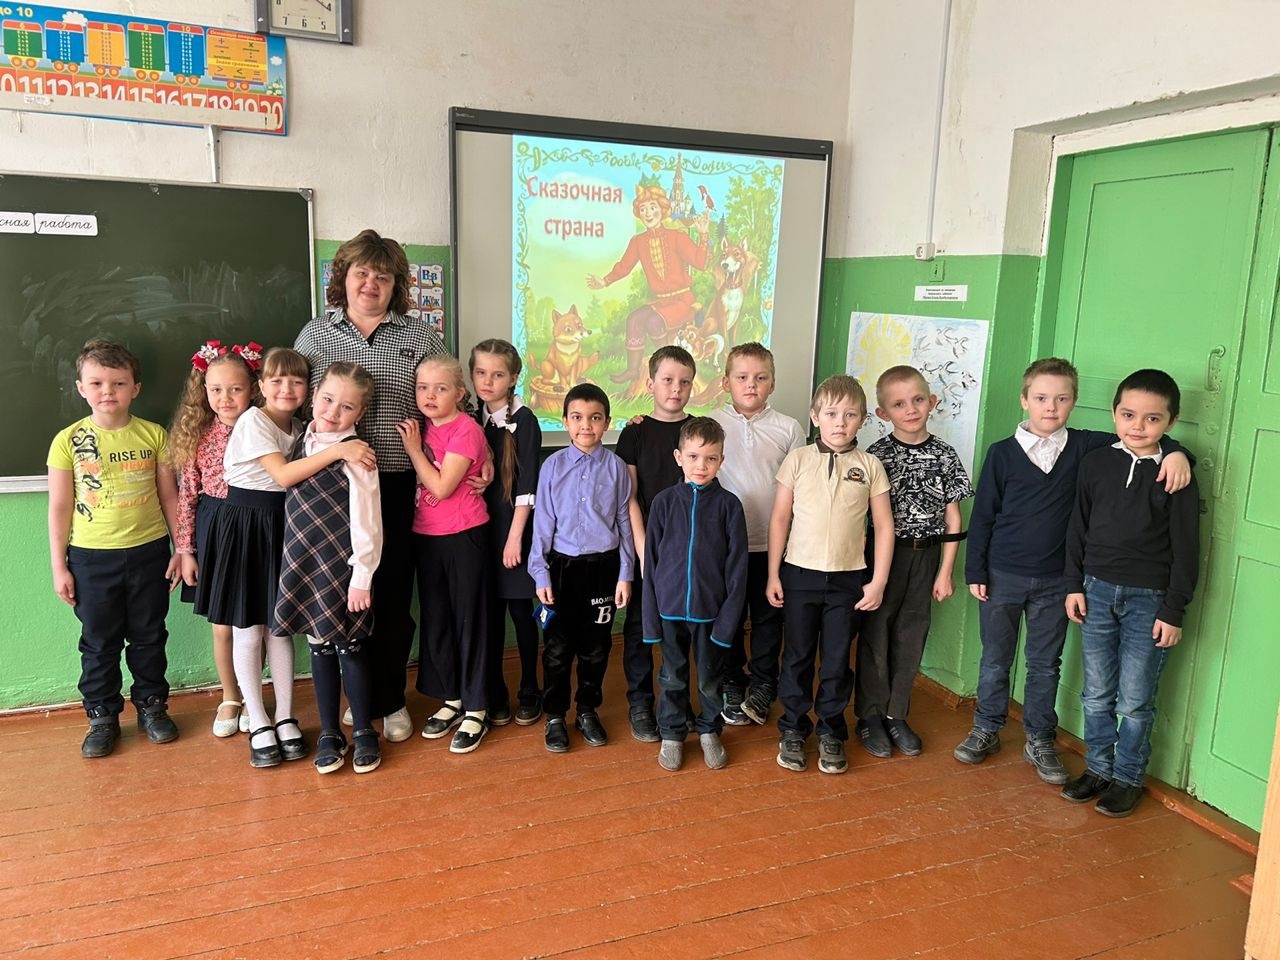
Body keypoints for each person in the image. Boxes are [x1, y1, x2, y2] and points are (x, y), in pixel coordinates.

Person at [957, 358, 1192, 784]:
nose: (1051, 407)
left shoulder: (1087, 447)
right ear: (1024, 399)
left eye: (1062, 399)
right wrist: (976, 570)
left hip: (1056, 582)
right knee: (995, 660)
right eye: (1041, 398)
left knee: (1045, 664)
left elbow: (1142, 438)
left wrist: (1178, 453)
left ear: (1075, 402)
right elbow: (985, 515)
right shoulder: (1001, 453)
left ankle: (1039, 738)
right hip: (1002, 575)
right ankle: (987, 727)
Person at [294, 229, 449, 744]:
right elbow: (293, 405)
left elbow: (448, 403)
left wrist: (480, 456)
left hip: (400, 484)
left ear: (396, 285)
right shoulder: (316, 335)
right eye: (361, 273)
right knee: (345, 596)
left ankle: (390, 698)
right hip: (328, 491)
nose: (370, 284)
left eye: (382, 277)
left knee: (392, 596)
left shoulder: (419, 337)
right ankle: (359, 699)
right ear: (343, 278)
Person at [194, 347, 376, 769]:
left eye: (296, 381)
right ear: (260, 386)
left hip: (283, 528)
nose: (286, 389)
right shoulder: (253, 421)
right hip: (246, 526)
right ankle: (258, 720)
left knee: (280, 628)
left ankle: (286, 716)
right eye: (276, 380)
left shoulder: (300, 428)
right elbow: (284, 475)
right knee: (248, 628)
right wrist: (342, 450)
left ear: (307, 388)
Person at [1061, 370, 1200, 817]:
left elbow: (1187, 546)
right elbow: (1077, 527)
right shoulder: (1096, 463)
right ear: (1114, 413)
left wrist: (1173, 609)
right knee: (1096, 693)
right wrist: (1073, 584)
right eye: (1128, 415)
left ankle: (1127, 777)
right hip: (1095, 592)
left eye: (1152, 419)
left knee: (1136, 700)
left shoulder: (1175, 473)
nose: (1137, 426)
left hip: (1150, 601)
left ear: (1171, 422)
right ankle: (1098, 768)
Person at [48, 339, 183, 759]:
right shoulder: (68, 440)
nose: (108, 391)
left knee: (149, 635)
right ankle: (102, 716)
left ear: (135, 388)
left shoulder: (154, 435)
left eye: (119, 383)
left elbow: (170, 497)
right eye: (97, 383)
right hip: (91, 558)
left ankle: (152, 706)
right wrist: (59, 567)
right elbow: (59, 507)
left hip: (149, 552)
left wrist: (182, 547)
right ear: (80, 388)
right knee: (99, 641)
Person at [767, 374, 893, 775]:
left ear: (863, 420)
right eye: (832, 413)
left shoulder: (869, 466)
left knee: (837, 659)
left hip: (848, 580)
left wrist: (878, 581)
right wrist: (773, 574)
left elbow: (884, 526)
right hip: (799, 575)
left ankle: (832, 730)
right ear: (815, 416)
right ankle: (793, 726)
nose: (840, 422)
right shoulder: (798, 460)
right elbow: (780, 518)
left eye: (850, 415)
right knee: (798, 656)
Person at [855, 365, 972, 757]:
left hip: (927, 557)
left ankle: (896, 714)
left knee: (912, 633)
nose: (910, 409)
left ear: (931, 402)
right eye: (899, 404)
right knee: (876, 633)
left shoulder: (944, 455)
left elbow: (953, 518)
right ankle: (870, 715)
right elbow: (863, 518)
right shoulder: (876, 456)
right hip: (884, 557)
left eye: (918, 400)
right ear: (883, 412)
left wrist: (945, 572)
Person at [274, 363, 384, 775]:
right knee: (318, 645)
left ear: (360, 413)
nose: (333, 412)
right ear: (315, 394)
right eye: (327, 399)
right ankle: (329, 731)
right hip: (305, 561)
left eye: (347, 407)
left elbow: (369, 522)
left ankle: (365, 730)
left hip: (342, 566)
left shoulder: (358, 454)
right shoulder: (300, 439)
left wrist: (362, 576)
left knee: (349, 646)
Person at [528, 383, 635, 753]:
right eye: (577, 417)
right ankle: (555, 715)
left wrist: (625, 573)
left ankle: (587, 709)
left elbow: (624, 522)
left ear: (607, 422)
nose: (585, 425)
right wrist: (540, 572)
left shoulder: (617, 468)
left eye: (594, 418)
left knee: (596, 648)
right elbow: (542, 523)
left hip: (603, 569)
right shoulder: (552, 467)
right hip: (562, 570)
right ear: (565, 421)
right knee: (557, 649)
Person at [397, 355, 492, 754]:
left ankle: (477, 706)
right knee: (438, 620)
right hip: (427, 536)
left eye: (440, 388)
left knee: (469, 620)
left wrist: (413, 450)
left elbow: (441, 487)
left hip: (464, 535)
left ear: (460, 394)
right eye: (423, 387)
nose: (430, 395)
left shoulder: (465, 429)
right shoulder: (423, 427)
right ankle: (452, 697)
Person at [642, 417, 748, 771]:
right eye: (693, 457)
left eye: (710, 458)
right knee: (671, 676)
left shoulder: (729, 506)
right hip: (669, 611)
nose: (701, 465)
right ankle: (672, 733)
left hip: (710, 613)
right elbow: (650, 565)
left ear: (721, 460)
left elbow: (737, 571)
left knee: (709, 679)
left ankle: (709, 730)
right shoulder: (663, 503)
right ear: (678, 457)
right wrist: (650, 620)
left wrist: (727, 623)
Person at [710, 342, 806, 727]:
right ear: (726, 382)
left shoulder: (789, 429)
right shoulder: (710, 424)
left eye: (760, 377)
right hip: (726, 547)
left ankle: (764, 684)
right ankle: (733, 681)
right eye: (742, 377)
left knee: (768, 618)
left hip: (773, 545)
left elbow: (799, 489)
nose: (751, 384)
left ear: (773, 383)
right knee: (730, 618)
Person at [170, 339, 260, 739]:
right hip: (216, 530)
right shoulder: (198, 434)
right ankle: (230, 695)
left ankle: (254, 695)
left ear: (253, 389)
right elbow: (187, 496)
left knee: (254, 621)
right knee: (222, 625)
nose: (225, 398)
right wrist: (186, 549)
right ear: (203, 391)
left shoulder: (265, 427)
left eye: (235, 389)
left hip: (257, 528)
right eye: (216, 389)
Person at [615, 345, 695, 743]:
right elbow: (629, 497)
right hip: (644, 546)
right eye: (667, 380)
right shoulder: (634, 432)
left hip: (688, 549)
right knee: (640, 628)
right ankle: (640, 703)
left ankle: (677, 702)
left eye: (684, 382)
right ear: (650, 384)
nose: (675, 389)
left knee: (681, 628)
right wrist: (644, 549)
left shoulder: (699, 429)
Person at [470, 339, 544, 726]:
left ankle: (530, 687)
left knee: (521, 612)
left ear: (513, 378)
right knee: (490, 617)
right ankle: (494, 692)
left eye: (498, 374)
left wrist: (515, 538)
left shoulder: (526, 420)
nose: (488, 381)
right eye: (480, 373)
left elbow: (528, 486)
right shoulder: (470, 418)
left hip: (515, 531)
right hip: (478, 532)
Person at [586, 184, 711, 396]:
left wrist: (704, 235)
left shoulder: (677, 236)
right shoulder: (638, 242)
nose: (648, 213)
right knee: (634, 319)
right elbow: (624, 266)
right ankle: (633, 370)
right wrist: (605, 281)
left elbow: (700, 262)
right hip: (660, 301)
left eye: (653, 207)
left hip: (683, 301)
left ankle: (666, 367)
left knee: (653, 321)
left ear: (662, 209)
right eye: (643, 209)